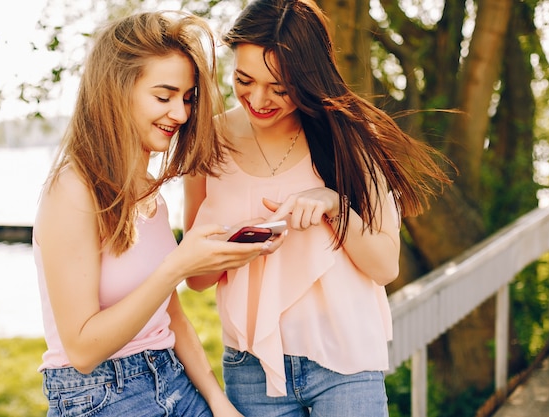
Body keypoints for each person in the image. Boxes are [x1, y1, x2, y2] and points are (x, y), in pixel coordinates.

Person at [183, 0, 454, 416]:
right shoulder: (207, 142)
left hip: (343, 361)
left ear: (310, 79)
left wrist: (333, 204)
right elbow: (197, 279)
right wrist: (238, 244)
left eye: (280, 88)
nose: (258, 99)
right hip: (252, 368)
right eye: (244, 80)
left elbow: (384, 266)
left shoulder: (351, 137)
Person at [33, 10, 272, 417]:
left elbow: (171, 315)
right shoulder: (73, 190)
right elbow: (82, 348)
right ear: (115, 91)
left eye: (187, 99)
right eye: (164, 97)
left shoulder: (150, 191)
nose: (180, 114)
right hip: (100, 395)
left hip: (173, 379)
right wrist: (177, 266)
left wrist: (217, 401)